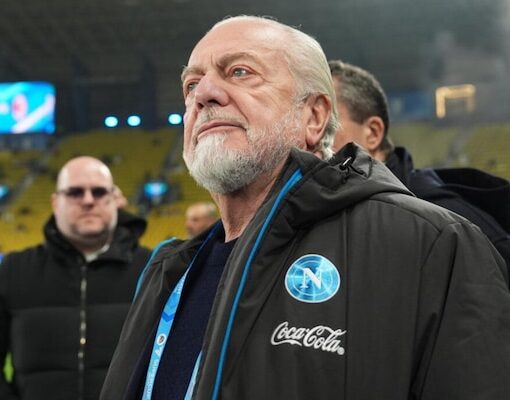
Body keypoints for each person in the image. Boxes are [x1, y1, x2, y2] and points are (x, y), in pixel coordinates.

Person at [101, 16, 510, 400]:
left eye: (239, 72)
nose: (203, 95)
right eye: (191, 85)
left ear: (314, 116)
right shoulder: (166, 271)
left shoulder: (431, 245)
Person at [329, 59, 510, 285]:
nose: (313, 135)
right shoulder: (320, 215)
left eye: (328, 122)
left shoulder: (448, 217)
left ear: (373, 133)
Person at [0, 156, 152, 400]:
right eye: (75, 192)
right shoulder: (14, 270)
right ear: (55, 202)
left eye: (99, 192)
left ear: (116, 200)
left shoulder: (152, 270)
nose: (88, 200)